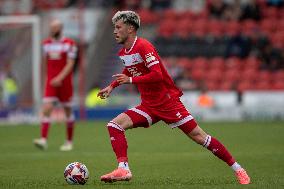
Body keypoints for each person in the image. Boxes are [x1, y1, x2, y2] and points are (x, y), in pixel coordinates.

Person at [97, 11, 250, 184]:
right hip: (148, 106)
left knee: (201, 138)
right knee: (114, 125)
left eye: (118, 27)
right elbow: (129, 69)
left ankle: (238, 169)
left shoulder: (144, 46)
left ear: (131, 28)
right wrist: (112, 86)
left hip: (168, 103)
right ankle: (123, 169)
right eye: (114, 28)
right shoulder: (125, 52)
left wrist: (130, 80)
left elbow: (157, 75)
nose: (114, 31)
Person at [33, 19, 77, 151]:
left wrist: (59, 78)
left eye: (55, 27)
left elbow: (70, 63)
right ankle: (43, 139)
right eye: (51, 27)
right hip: (51, 82)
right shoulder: (45, 44)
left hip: (65, 82)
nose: (53, 29)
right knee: (47, 108)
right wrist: (49, 77)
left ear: (60, 28)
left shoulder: (70, 44)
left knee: (67, 111)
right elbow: (46, 62)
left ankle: (69, 142)